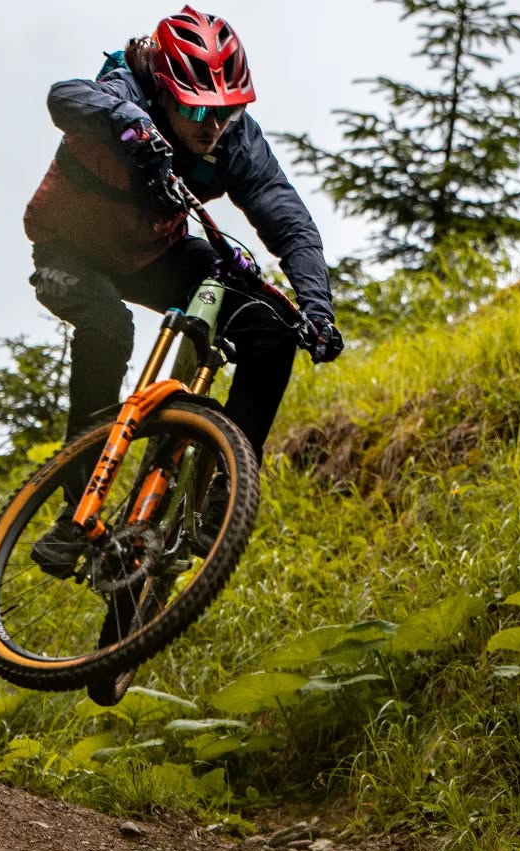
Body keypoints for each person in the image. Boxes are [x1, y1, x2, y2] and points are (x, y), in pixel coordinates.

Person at [23, 6, 344, 575]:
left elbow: (287, 218)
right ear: (166, 88)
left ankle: (225, 481)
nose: (210, 125)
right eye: (195, 108)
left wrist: (316, 305)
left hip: (155, 255)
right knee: (107, 329)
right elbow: (62, 97)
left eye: (224, 112)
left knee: (270, 333)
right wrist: (130, 121)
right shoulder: (129, 87)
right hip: (69, 252)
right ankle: (76, 510)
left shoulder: (232, 140)